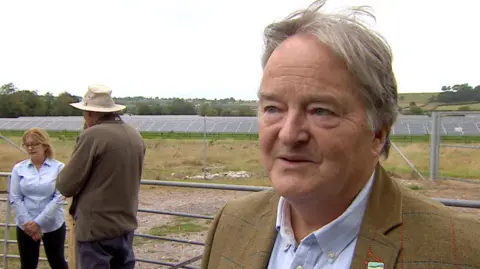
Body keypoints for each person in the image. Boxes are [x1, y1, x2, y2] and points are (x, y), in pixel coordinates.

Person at [200, 1, 480, 268]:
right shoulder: (231, 224)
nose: (289, 135)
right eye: (273, 108)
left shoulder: (461, 252)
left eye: (320, 111)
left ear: (378, 133)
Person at [56, 84, 146, 269]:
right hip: (125, 225)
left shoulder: (93, 136)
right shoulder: (135, 135)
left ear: (90, 113)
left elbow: (66, 185)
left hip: (96, 231)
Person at [9, 128, 68, 269]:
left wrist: (39, 223)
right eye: (27, 144)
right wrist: (28, 224)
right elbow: (15, 197)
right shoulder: (19, 169)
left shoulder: (59, 167)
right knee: (28, 264)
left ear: (44, 145)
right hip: (26, 226)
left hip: (53, 224)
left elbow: (59, 197)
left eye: (34, 144)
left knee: (57, 262)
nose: (30, 148)